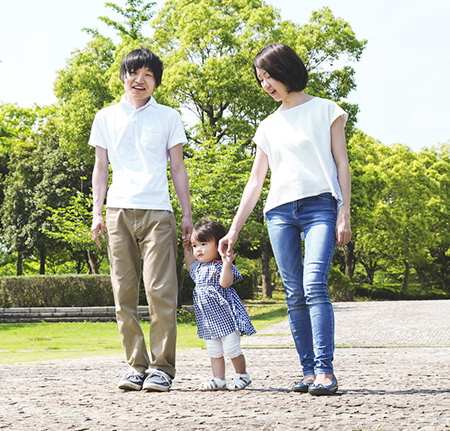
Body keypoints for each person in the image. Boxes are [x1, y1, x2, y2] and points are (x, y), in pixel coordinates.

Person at [219, 43, 352, 396]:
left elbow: (342, 163)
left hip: (321, 205)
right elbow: (255, 180)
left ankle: (326, 371)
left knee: (313, 285)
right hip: (279, 212)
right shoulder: (268, 125)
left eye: (269, 76)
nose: (265, 85)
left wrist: (344, 210)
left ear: (287, 70)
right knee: (294, 293)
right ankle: (308, 372)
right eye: (260, 79)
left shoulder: (327, 110)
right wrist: (234, 228)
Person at [89, 48, 193, 392]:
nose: (140, 80)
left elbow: (178, 168)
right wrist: (97, 212)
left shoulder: (168, 117)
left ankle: (162, 367)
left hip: (158, 211)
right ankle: (136, 365)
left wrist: (186, 216)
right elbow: (101, 168)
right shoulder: (105, 117)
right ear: (124, 76)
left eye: (149, 75)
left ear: (155, 83)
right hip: (118, 210)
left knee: (161, 291)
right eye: (135, 73)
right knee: (124, 293)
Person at [183, 220, 255, 391]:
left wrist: (228, 262)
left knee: (231, 349)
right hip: (208, 320)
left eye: (203, 244)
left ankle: (242, 375)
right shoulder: (198, 268)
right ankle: (218, 379)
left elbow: (225, 283)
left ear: (219, 245)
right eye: (194, 245)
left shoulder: (221, 266)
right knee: (214, 351)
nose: (198, 249)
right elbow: (189, 264)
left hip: (226, 318)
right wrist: (186, 248)